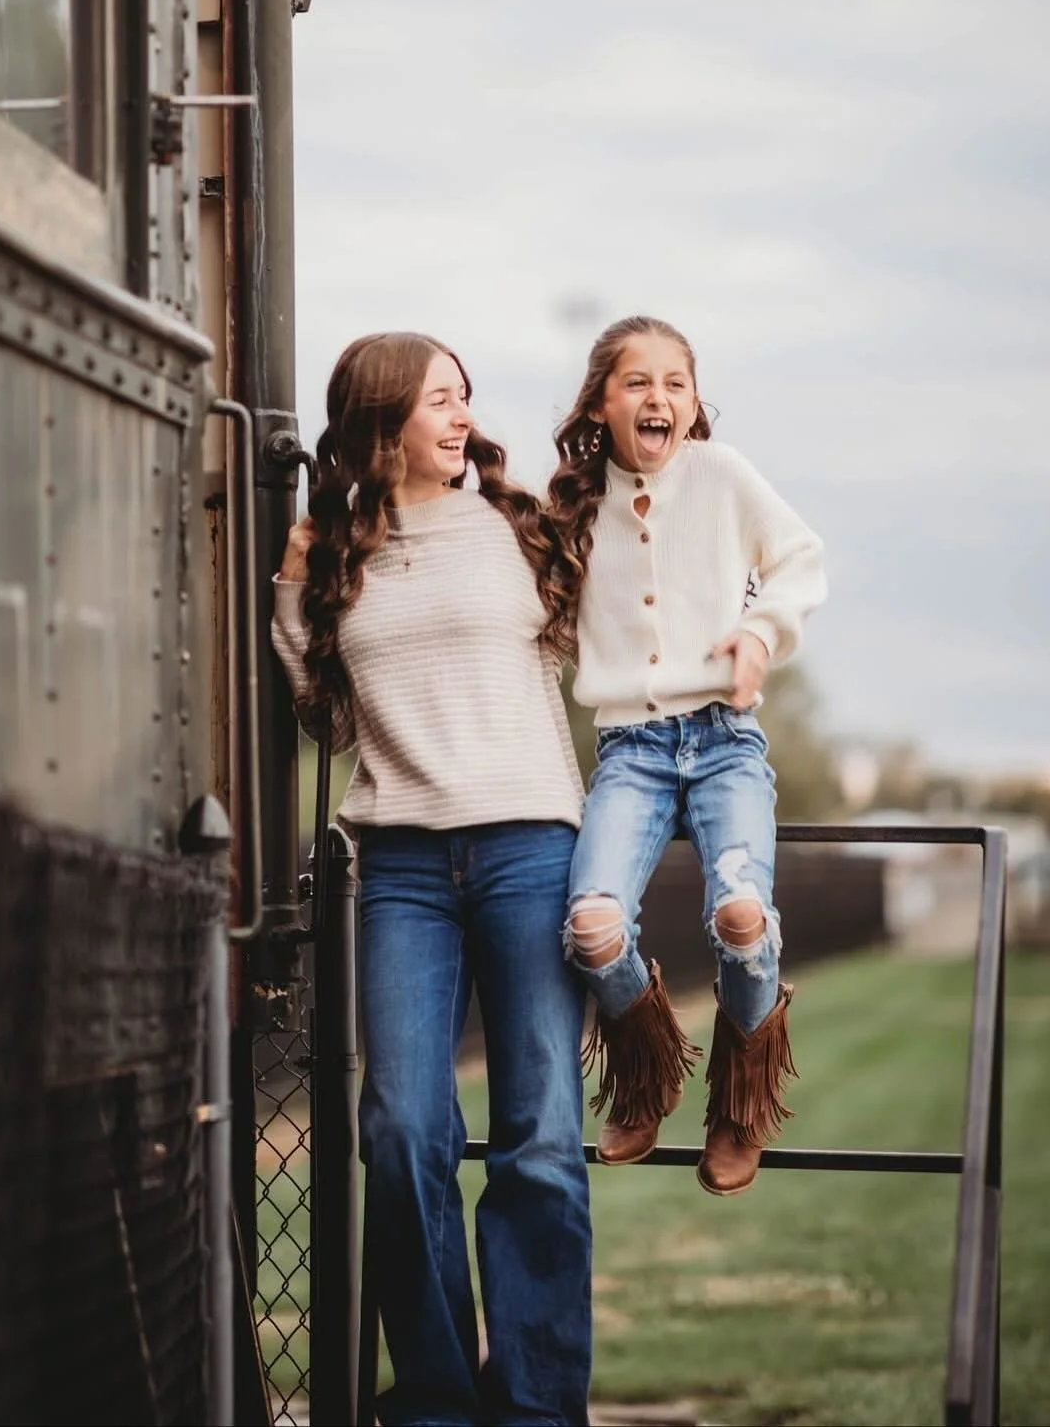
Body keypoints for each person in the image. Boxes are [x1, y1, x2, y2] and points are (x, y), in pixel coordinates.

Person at [272, 332, 591, 1427]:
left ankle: (540, 1405)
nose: (462, 418)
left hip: (530, 849)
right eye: (438, 401)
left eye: (465, 398)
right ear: (382, 420)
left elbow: (620, 644)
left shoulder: (519, 528)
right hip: (401, 861)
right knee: (403, 1129)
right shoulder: (338, 553)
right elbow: (326, 719)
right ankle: (438, 1402)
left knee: (539, 1137)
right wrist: (290, 589)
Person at [548, 314, 826, 1196]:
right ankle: (645, 1075)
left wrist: (758, 633)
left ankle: (739, 1103)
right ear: (600, 402)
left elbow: (800, 560)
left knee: (742, 918)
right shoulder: (573, 507)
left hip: (723, 742)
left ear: (694, 402)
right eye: (636, 382)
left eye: (675, 383)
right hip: (628, 750)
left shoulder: (721, 473)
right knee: (592, 929)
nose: (657, 397)